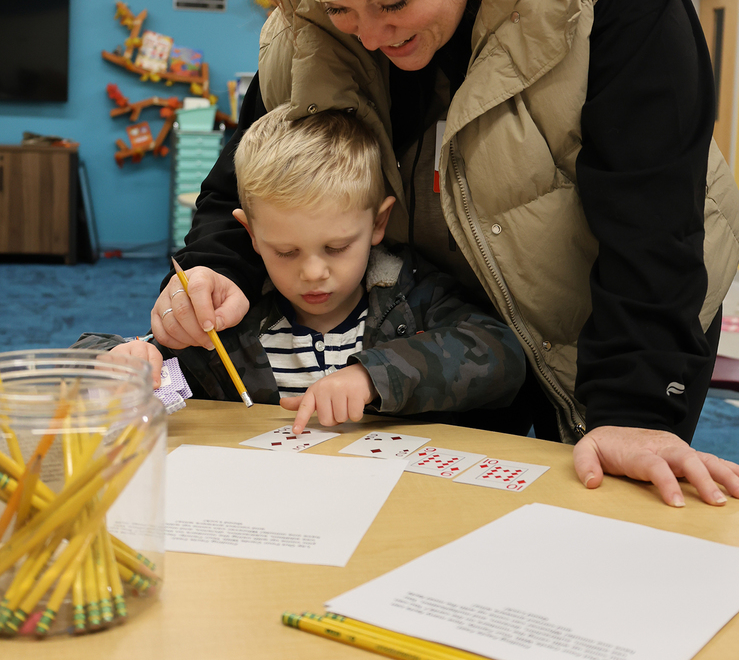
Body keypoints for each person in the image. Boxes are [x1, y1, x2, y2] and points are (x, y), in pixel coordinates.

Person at [151, 0, 739, 508]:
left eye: (395, 2)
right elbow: (247, 171)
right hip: (438, 317)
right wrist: (217, 267)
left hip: (616, 310)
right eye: (343, 9)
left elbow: (652, 207)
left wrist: (635, 406)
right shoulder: (311, 13)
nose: (372, 35)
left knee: (598, 514)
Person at [104, 106, 526, 430]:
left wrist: (371, 376)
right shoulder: (231, 321)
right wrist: (124, 361)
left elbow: (502, 357)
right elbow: (88, 362)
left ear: (378, 223)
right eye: (286, 252)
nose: (312, 272)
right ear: (250, 235)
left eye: (337, 247)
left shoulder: (414, 295)